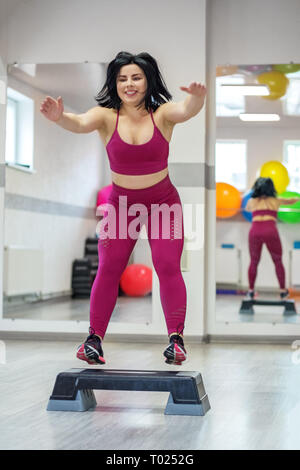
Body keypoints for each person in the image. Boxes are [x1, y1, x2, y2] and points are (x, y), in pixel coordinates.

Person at [40, 51, 206, 366]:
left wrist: (197, 99)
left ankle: (176, 340)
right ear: (115, 83)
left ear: (148, 81)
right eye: (122, 78)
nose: (129, 84)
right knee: (109, 267)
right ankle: (93, 340)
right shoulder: (105, 117)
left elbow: (187, 110)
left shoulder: (163, 114)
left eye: (136, 77)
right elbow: (77, 123)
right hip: (121, 206)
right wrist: (59, 117)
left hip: (162, 203)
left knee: (167, 265)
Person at [245, 177, 300, 300]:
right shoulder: (275, 200)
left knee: (254, 261)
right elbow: (293, 200)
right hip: (270, 230)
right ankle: (282, 291)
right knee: (277, 261)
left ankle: (250, 291)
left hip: (255, 231)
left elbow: (247, 209)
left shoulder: (251, 201)